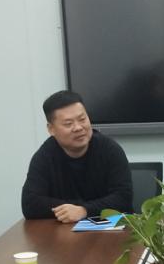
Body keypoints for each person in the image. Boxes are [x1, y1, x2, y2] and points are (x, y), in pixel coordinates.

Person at [21, 90, 133, 222]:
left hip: (109, 229)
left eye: (82, 119)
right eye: (68, 124)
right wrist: (73, 209)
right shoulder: (45, 156)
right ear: (51, 129)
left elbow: (123, 199)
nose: (78, 127)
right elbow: (30, 204)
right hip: (62, 231)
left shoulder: (110, 150)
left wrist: (84, 210)